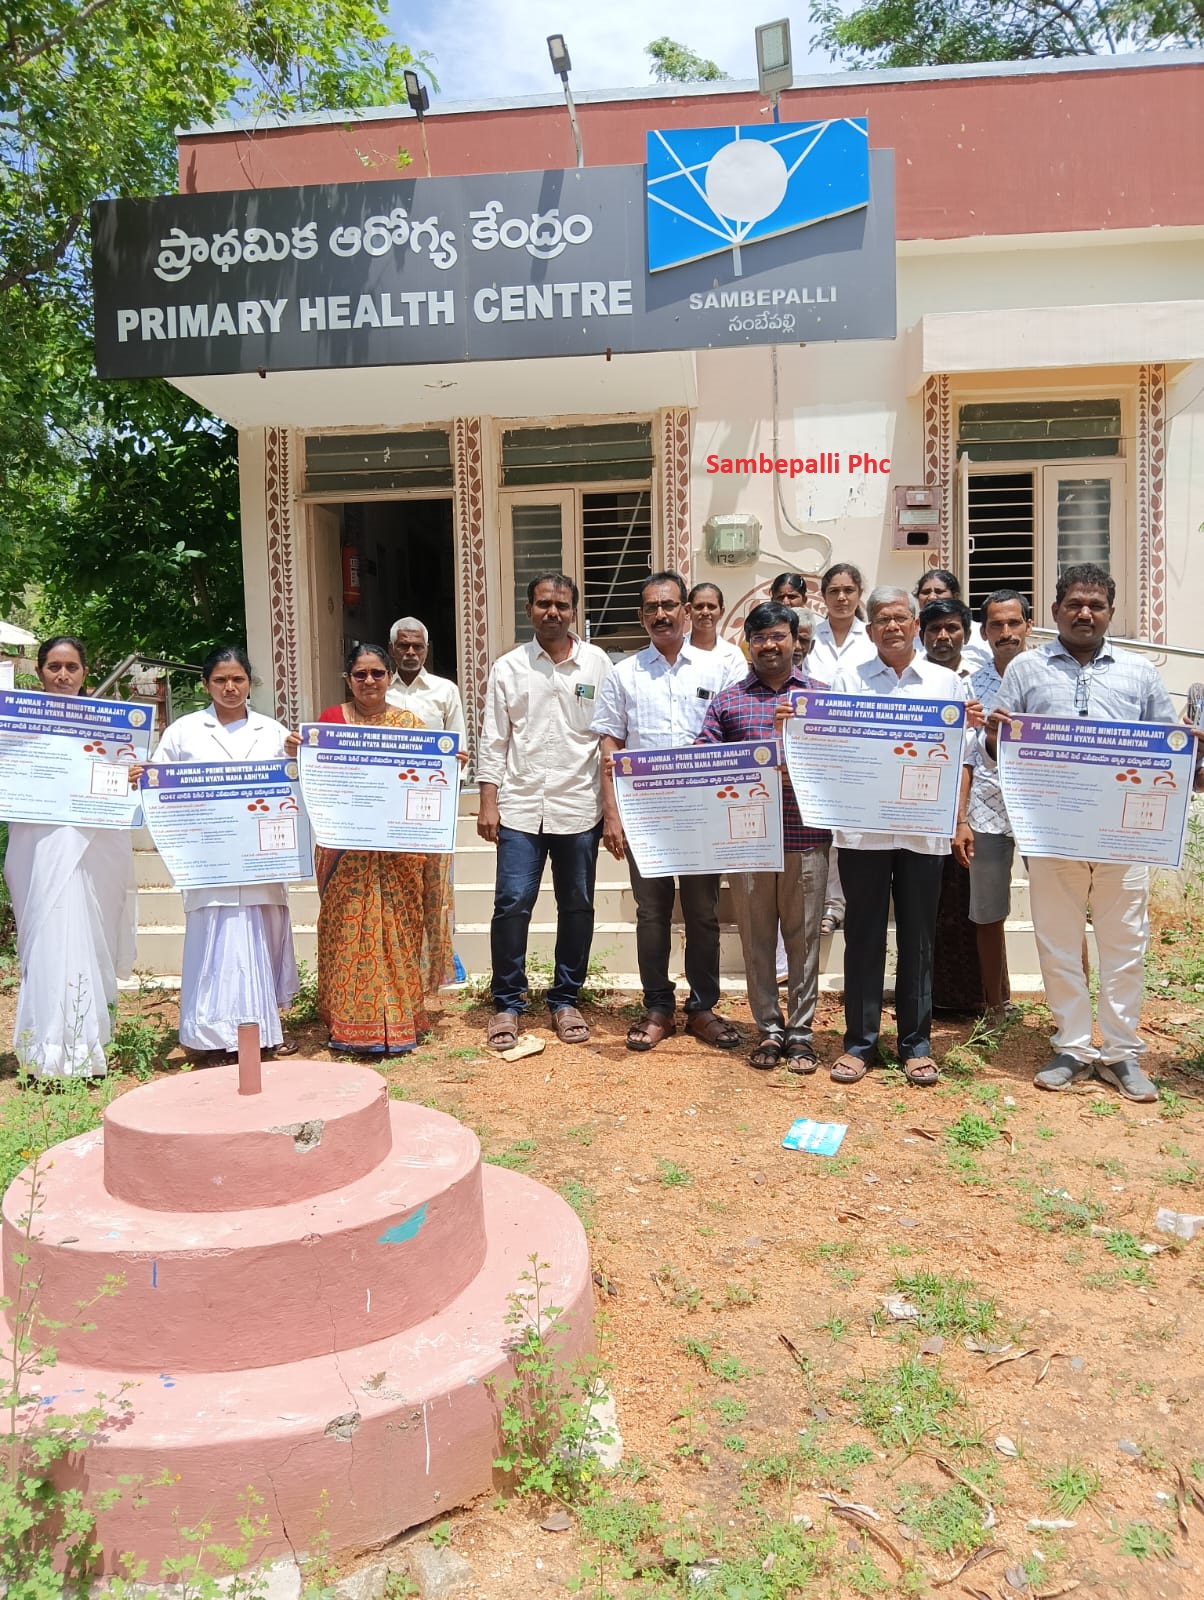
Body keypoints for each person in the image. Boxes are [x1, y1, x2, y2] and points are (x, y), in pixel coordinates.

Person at [991, 563, 1191, 1102]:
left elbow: (1166, 749)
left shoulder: (1140, 674)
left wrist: (1184, 746)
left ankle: (1122, 1053)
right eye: (1075, 604)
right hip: (1054, 835)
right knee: (1057, 942)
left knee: (1124, 945)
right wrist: (993, 737)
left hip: (1124, 837)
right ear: (1055, 611)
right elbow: (999, 752)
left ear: (1110, 612)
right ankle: (1073, 1047)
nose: (1085, 613)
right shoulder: (1026, 671)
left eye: (1096, 605)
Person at [826, 587, 975, 1087]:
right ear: (869, 632)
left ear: (916, 625)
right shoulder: (847, 680)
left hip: (923, 830)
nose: (891, 626)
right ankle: (860, 1044)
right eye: (881, 620)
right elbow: (828, 745)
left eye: (900, 618)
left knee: (918, 938)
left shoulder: (944, 683)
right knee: (863, 936)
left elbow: (961, 760)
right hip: (863, 831)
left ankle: (916, 1044)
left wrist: (958, 819)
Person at [592, 571, 745, 1052]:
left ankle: (702, 1007)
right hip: (647, 818)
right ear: (642, 617)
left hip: (702, 815)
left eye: (669, 605)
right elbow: (611, 745)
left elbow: (736, 735)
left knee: (703, 913)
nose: (661, 615)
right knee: (652, 913)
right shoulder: (623, 674)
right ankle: (657, 1004)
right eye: (651, 608)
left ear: (686, 611)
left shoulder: (717, 669)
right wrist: (612, 814)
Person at [476, 574, 611, 1049]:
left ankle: (566, 998)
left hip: (579, 806)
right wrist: (487, 799)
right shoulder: (508, 667)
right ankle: (508, 1003)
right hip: (519, 807)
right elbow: (494, 738)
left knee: (577, 906)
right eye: (543, 604)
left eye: (561, 605)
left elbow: (608, 738)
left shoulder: (597, 664)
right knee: (511, 905)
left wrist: (611, 811)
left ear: (574, 610)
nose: (552, 612)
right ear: (529, 609)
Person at [149, 647, 300, 1063]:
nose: (230, 688)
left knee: (259, 937)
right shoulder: (183, 732)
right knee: (215, 942)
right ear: (205, 684)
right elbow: (160, 786)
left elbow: (296, 785)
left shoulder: (272, 732)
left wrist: (296, 755)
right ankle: (208, 1035)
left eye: (238, 679)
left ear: (250, 683)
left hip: (259, 857)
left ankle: (264, 1030)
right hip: (208, 858)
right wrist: (143, 776)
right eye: (220, 680)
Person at [697, 602, 830, 1071]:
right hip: (747, 841)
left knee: (804, 940)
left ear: (796, 642)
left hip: (805, 836)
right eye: (760, 638)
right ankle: (769, 1030)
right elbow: (702, 759)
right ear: (747, 645)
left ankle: (801, 1032)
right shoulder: (728, 701)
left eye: (778, 636)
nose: (769, 645)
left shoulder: (821, 698)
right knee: (755, 941)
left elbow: (838, 765)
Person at [5, 637, 136, 1078]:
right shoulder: (17, 721)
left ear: (84, 674)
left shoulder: (107, 724)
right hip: (40, 844)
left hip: (92, 841)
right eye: (54, 667)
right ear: (39, 672)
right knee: (49, 931)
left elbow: (119, 777)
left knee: (90, 929)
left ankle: (87, 1044)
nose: (63, 675)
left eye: (72, 667)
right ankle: (48, 1051)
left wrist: (132, 773)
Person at [315, 642, 453, 1054]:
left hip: (398, 853)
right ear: (348, 679)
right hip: (347, 852)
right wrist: (297, 753)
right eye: (360, 674)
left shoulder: (411, 725)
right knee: (348, 930)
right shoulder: (330, 723)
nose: (369, 681)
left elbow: (426, 781)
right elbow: (316, 781)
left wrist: (446, 765)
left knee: (399, 930)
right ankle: (347, 1021)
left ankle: (402, 1016)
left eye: (377, 673)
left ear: (390, 677)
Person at [952, 589, 1033, 1019]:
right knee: (987, 911)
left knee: (1062, 911)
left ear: (1028, 626)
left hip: (1045, 811)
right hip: (986, 809)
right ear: (984, 633)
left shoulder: (1047, 677)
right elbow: (965, 756)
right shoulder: (971, 684)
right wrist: (961, 818)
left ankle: (1071, 1007)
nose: (1006, 632)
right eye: (996, 625)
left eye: (1013, 623)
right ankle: (996, 1003)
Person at [386, 614, 467, 989]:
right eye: (403, 645)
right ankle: (400, 962)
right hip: (389, 807)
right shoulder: (377, 690)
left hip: (432, 804)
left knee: (437, 887)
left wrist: (451, 789)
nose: (410, 652)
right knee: (398, 886)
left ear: (427, 649)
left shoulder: (444, 690)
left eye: (417, 645)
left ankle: (438, 964)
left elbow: (458, 747)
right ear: (392, 649)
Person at [918, 599, 984, 1014]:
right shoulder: (912, 681)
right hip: (917, 806)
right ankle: (930, 997)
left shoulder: (980, 680)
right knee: (927, 909)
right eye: (935, 629)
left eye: (952, 629)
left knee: (964, 907)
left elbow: (970, 754)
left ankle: (970, 997)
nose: (944, 637)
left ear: (966, 632)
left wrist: (960, 816)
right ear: (921, 634)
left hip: (970, 806)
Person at [807, 564, 876, 937]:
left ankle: (845, 902)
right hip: (817, 745)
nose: (842, 598)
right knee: (823, 825)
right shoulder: (811, 639)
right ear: (823, 595)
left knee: (851, 827)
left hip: (860, 745)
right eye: (834, 591)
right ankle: (827, 903)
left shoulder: (871, 639)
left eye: (849, 590)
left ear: (859, 592)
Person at [913, 569, 991, 671]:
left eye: (939, 591)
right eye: (925, 592)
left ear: (955, 596)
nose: (931, 597)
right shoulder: (912, 638)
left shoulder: (980, 634)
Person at [685, 582, 747, 674]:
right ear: (689, 610)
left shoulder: (733, 656)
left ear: (721, 612)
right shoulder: (675, 651)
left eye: (711, 607)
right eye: (699, 607)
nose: (705, 612)